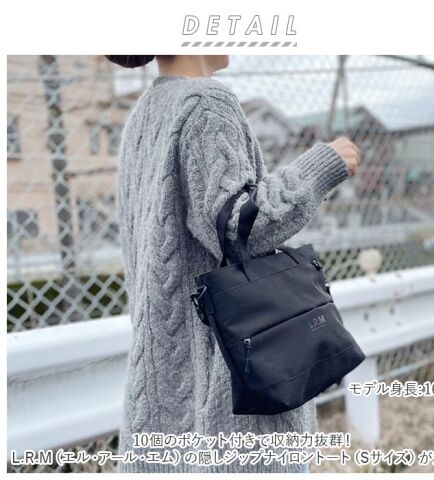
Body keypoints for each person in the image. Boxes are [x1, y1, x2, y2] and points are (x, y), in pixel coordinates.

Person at [108, 54, 360, 473]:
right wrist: (323, 166)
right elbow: (240, 226)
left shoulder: (143, 116)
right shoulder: (205, 103)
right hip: (231, 401)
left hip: (164, 395)